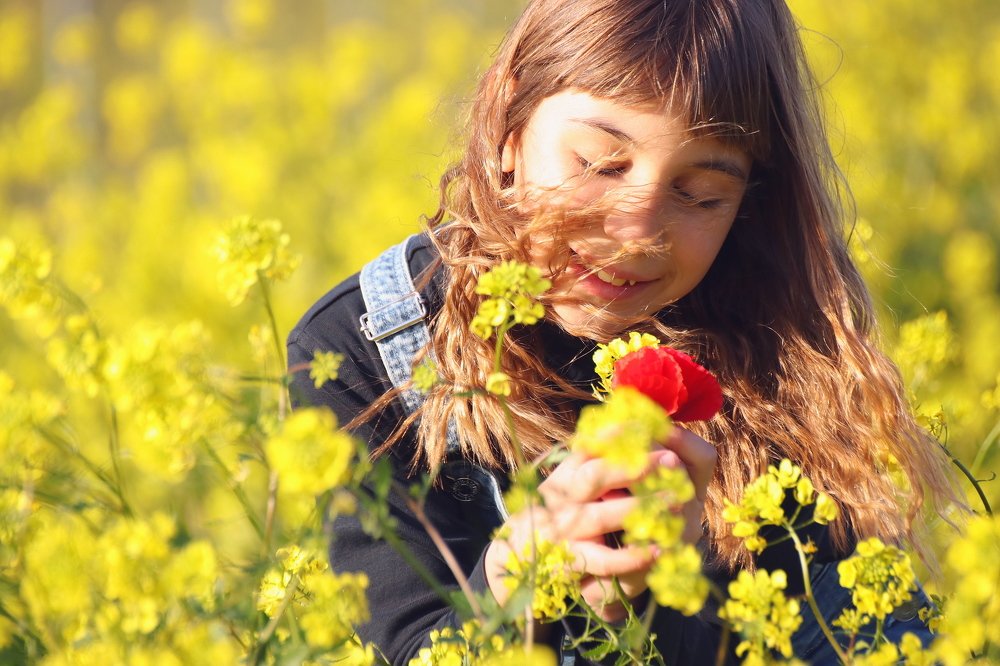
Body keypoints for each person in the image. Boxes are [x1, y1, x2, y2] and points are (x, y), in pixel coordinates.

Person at [287, 0, 961, 663]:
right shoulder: (364, 348)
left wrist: (683, 584)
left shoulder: (782, 367)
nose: (637, 234)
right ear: (508, 125)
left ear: (751, 201)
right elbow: (402, 640)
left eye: (699, 194)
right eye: (600, 163)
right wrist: (518, 582)